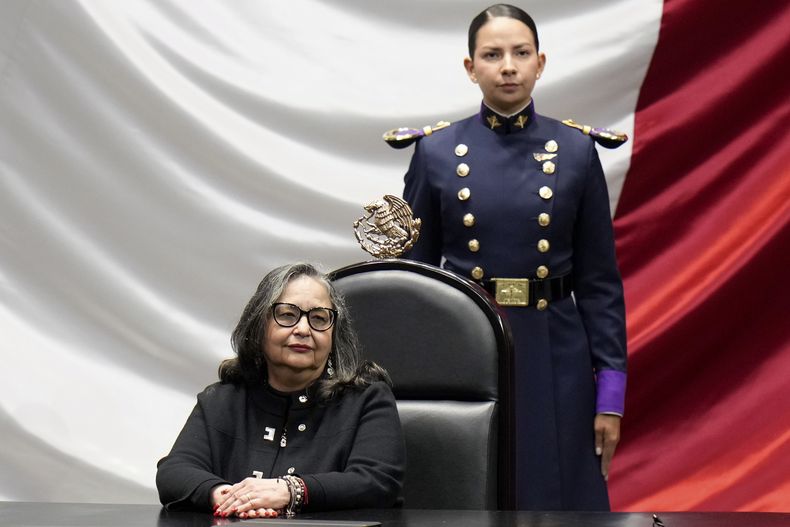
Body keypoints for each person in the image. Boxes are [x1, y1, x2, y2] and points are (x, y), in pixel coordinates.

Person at [395, 4, 627, 510]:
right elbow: (414, 284)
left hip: (556, 349)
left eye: (521, 53)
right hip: (470, 346)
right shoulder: (436, 152)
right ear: (470, 66)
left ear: (540, 63)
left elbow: (600, 283)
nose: (508, 66)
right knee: (472, 491)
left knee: (559, 496)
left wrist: (610, 396)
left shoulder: (575, 150)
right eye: (492, 54)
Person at [156, 263, 406, 518]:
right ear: (258, 326)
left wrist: (290, 491)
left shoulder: (367, 399)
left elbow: (377, 481)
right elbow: (174, 471)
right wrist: (227, 497)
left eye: (319, 318)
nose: (303, 329)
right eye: (287, 315)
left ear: (334, 334)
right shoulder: (222, 400)